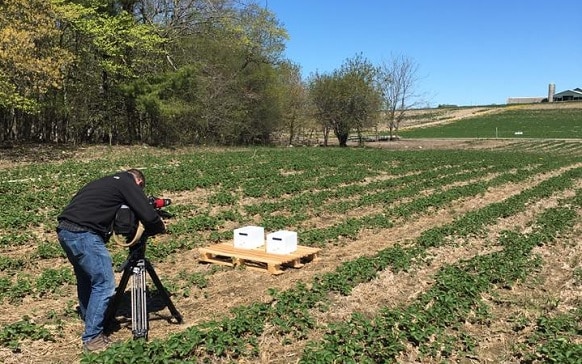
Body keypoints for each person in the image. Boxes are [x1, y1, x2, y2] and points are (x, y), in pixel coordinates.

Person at [56, 169, 166, 352]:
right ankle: (92, 338)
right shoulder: (126, 182)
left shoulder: (105, 182)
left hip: (65, 231)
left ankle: (91, 319)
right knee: (105, 284)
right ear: (138, 182)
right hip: (84, 234)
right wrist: (158, 226)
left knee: (87, 279)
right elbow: (147, 214)